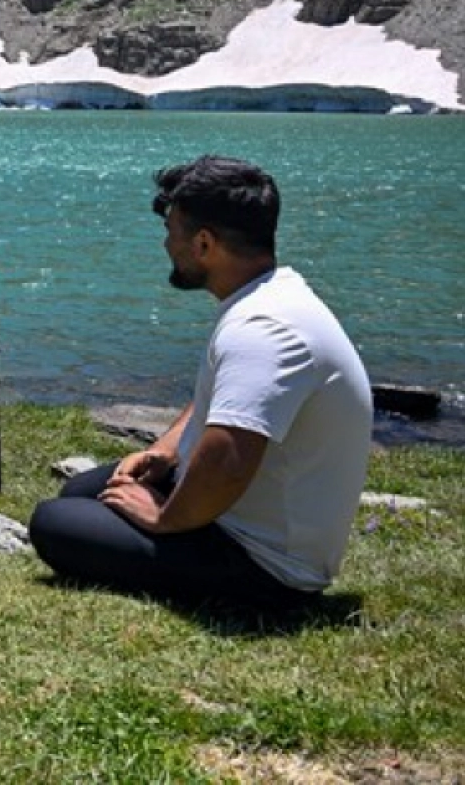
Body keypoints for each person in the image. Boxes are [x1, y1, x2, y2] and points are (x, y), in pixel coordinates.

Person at [29, 156, 373, 608]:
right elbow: (218, 403)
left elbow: (228, 464)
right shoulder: (270, 296)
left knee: (53, 522)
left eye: (172, 232)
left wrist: (162, 518)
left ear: (205, 243)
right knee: (83, 492)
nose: (167, 244)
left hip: (264, 563)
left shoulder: (262, 330)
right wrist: (165, 452)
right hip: (235, 516)